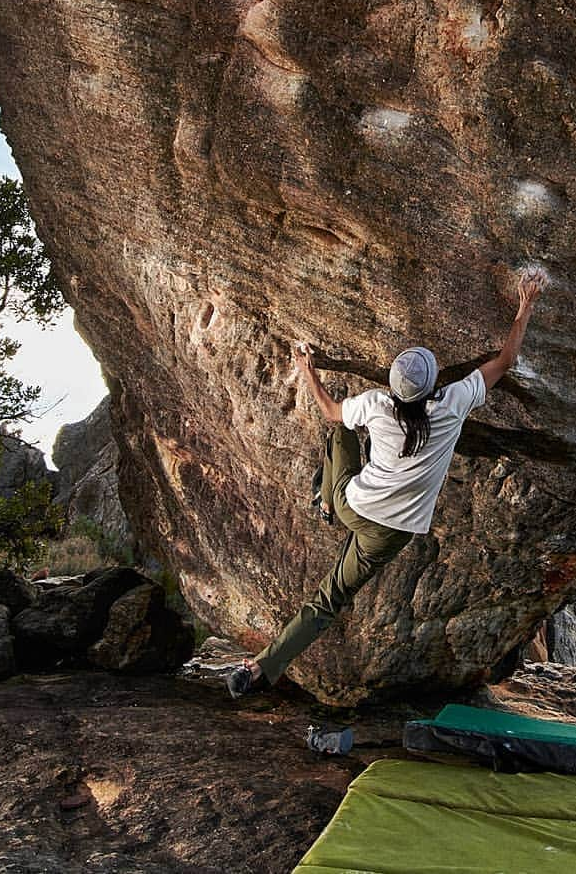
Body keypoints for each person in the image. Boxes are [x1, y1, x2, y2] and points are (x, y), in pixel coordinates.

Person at [227, 267, 548, 698]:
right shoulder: (452, 404)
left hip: (351, 504)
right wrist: (525, 305)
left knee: (340, 432)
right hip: (389, 533)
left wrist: (308, 370)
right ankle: (262, 667)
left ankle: (323, 504)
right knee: (329, 600)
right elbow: (505, 361)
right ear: (433, 383)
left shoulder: (378, 405)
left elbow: (332, 413)